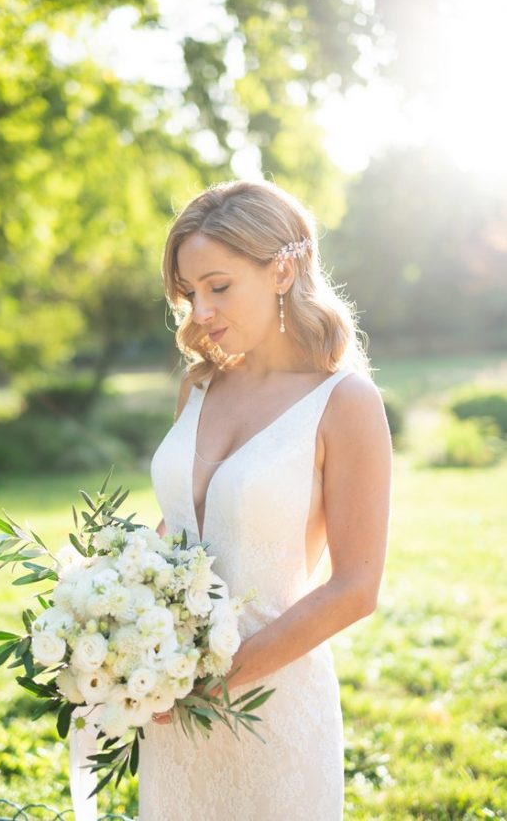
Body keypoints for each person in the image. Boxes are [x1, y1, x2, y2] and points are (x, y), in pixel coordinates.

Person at [138, 179, 392, 820]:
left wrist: (212, 683)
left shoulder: (344, 401)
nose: (201, 311)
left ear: (282, 270)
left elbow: (357, 587)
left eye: (218, 287)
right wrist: (121, 630)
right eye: (190, 293)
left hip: (272, 710)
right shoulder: (199, 386)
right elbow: (178, 534)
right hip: (173, 718)